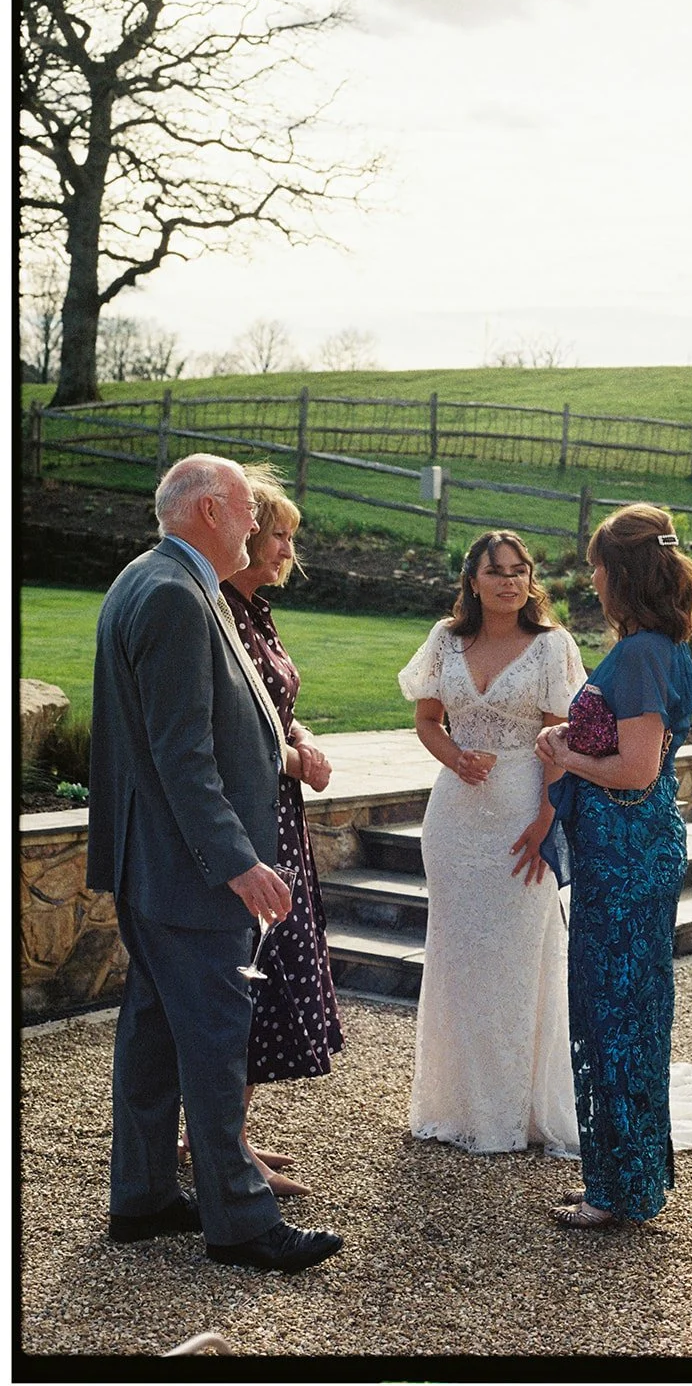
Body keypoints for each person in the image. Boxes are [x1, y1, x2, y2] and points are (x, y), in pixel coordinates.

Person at [87, 453, 342, 1273]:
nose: (256, 523)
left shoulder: (154, 578)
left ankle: (143, 1199)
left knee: (155, 1034)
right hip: (189, 873)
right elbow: (182, 754)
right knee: (214, 1042)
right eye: (245, 510)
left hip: (157, 865)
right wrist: (238, 862)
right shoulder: (172, 593)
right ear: (206, 511)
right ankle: (242, 1224)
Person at [535, 503, 692, 1230]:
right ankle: (627, 1180)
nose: (593, 580)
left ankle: (619, 1188)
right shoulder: (661, 648)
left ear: (622, 575)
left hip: (626, 852)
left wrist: (563, 753)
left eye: (598, 567)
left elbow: (636, 769)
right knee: (628, 1010)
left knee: (615, 1012)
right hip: (637, 845)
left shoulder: (640, 656)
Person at [398, 531, 586, 1156]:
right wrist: (454, 756)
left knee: (516, 959)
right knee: (456, 958)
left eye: (519, 570)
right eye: (496, 571)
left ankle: (514, 1111)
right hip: (454, 820)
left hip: (523, 810)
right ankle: (454, 1104)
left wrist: (547, 818)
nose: (509, 581)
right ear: (472, 580)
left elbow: (562, 739)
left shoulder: (552, 645)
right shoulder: (444, 640)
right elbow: (428, 720)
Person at [215, 464, 344, 1197]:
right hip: (247, 821)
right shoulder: (220, 613)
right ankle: (225, 1146)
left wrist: (304, 738)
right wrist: (294, 758)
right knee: (247, 975)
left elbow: (273, 708)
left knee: (265, 971)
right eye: (278, 535)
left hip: (278, 815)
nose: (288, 550)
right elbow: (231, 733)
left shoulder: (256, 611)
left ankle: (223, 1132)